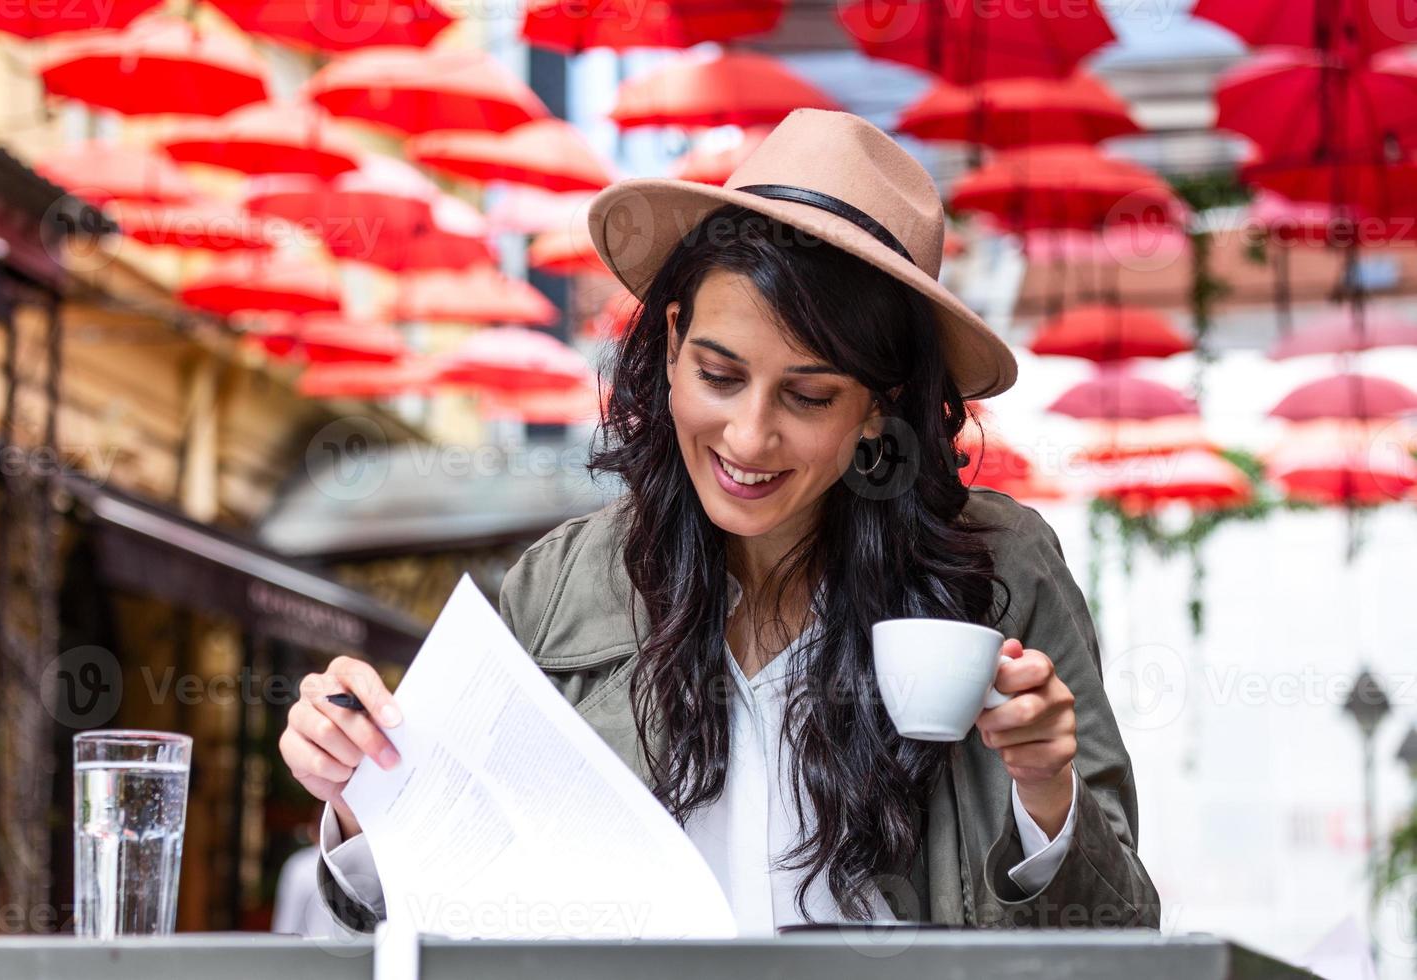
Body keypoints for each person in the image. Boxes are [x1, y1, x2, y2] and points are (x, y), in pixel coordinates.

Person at [278, 109, 1160, 936]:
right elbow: (437, 902)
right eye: (720, 374)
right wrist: (361, 794)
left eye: (808, 396)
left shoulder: (1000, 569)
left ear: (879, 408)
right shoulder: (558, 586)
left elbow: (1122, 937)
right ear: (669, 342)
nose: (748, 437)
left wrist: (1047, 795)